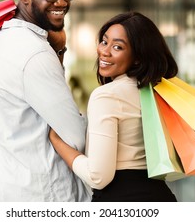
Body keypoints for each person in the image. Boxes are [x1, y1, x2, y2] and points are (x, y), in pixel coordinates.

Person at [0, 0, 91, 202]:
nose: (61, 2)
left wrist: (58, 52)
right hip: (48, 196)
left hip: (12, 190)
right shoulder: (35, 53)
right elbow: (76, 138)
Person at [49, 11, 178, 202]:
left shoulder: (107, 96)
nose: (105, 51)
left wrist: (57, 142)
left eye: (117, 46)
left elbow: (98, 177)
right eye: (104, 41)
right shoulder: (156, 90)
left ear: (137, 57)